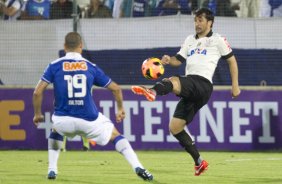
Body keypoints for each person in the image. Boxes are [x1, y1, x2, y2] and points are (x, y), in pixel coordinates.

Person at [131, 8, 240, 176]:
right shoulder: (189, 40)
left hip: (203, 83)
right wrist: (168, 60)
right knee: (175, 127)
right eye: (195, 20)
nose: (197, 24)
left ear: (209, 22)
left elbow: (232, 61)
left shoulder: (218, 40)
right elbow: (178, 60)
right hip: (192, 87)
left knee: (174, 80)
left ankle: (152, 91)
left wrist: (235, 85)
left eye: (200, 20)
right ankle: (199, 161)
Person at [32, 32, 153, 181]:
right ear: (81, 46)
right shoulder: (90, 67)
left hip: (63, 120)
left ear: (64, 47)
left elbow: (37, 92)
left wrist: (37, 114)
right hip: (88, 120)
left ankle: (52, 170)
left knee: (55, 130)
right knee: (115, 135)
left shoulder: (54, 66)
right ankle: (138, 167)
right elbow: (116, 89)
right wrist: (120, 109)